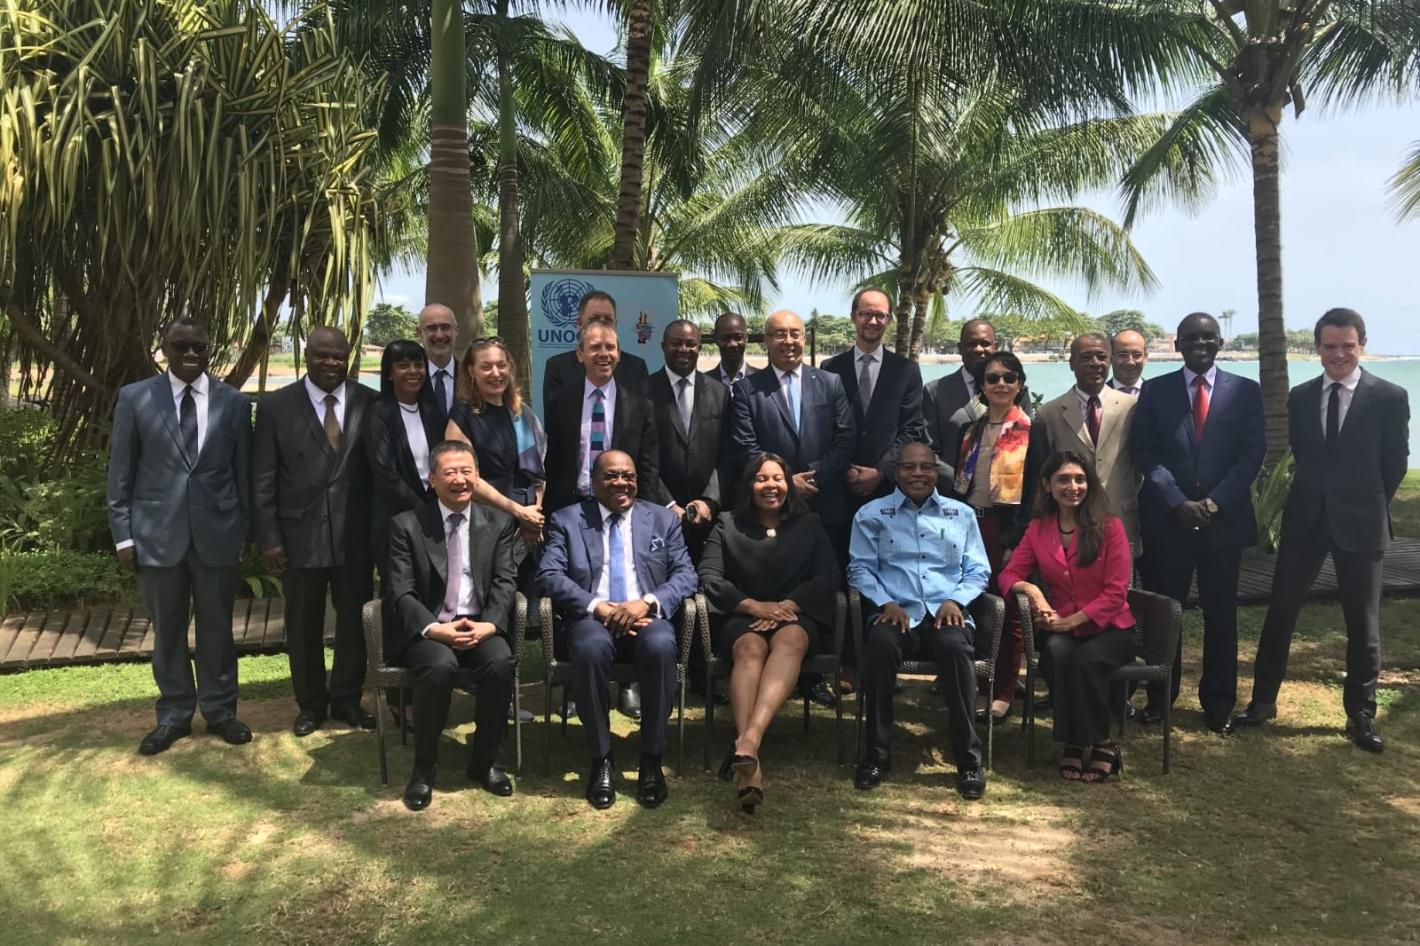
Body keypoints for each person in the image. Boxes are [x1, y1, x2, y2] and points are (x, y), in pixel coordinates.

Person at [1237, 309, 1409, 751]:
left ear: (1362, 345)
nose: (1338, 354)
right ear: (1317, 348)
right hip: (1306, 521)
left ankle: (1361, 714)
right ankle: (1262, 701)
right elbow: (1302, 454)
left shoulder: (1389, 397)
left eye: (1347, 346)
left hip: (1361, 524)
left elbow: (1394, 464)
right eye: (1329, 346)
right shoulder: (1301, 396)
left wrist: (1365, 502)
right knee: (1280, 612)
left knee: (1363, 623)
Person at [106, 318, 253, 755]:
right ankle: (173, 714)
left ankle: (221, 711)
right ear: (164, 348)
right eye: (181, 345)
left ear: (209, 350)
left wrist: (243, 531)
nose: (190, 353)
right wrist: (123, 536)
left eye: (199, 347)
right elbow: (121, 473)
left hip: (218, 535)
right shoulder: (135, 398)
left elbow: (242, 476)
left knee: (217, 630)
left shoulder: (233, 402)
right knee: (168, 630)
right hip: (156, 536)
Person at [536, 451, 699, 810]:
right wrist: (598, 607)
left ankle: (651, 759)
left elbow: (686, 575)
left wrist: (647, 602)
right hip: (591, 621)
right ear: (593, 482)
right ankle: (601, 759)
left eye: (628, 476)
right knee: (589, 649)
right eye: (611, 476)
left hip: (646, 620)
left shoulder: (661, 520)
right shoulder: (567, 519)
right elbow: (549, 575)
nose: (621, 483)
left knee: (661, 645)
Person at [1133, 312, 1264, 734]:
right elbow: (1145, 452)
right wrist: (1177, 500)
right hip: (1168, 522)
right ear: (1177, 345)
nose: (1200, 344)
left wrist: (1214, 502)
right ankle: (1160, 698)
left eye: (1208, 337)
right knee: (1164, 615)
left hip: (1222, 524)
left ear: (1220, 343)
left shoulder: (1245, 391)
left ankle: (1219, 704)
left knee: (1221, 615)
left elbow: (1251, 454)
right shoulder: (1155, 391)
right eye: (1191, 338)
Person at [252, 326, 378, 737]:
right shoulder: (276, 407)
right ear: (307, 356)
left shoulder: (370, 402)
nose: (331, 363)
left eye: (338, 355)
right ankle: (310, 704)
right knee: (303, 624)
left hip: (354, 536)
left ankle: (347, 699)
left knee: (354, 623)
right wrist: (269, 538)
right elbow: (263, 479)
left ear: (348, 357)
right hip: (298, 536)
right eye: (322, 355)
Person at [849, 442, 992, 799]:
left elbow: (978, 570)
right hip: (895, 613)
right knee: (880, 645)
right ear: (895, 472)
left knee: (956, 648)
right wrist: (886, 602)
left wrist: (956, 600)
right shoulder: (871, 514)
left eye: (926, 467)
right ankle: (876, 756)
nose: (918, 474)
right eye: (909, 467)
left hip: (946, 613)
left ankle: (969, 761)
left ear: (936, 471)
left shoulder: (961, 514)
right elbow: (860, 569)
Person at [699, 454, 840, 813]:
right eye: (761, 479)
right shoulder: (726, 524)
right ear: (749, 486)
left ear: (788, 485)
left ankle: (748, 741)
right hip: (743, 616)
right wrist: (753, 606)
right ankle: (751, 764)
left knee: (790, 639)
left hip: (796, 615)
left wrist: (786, 606)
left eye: (778, 478)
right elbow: (710, 577)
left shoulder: (809, 524)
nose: (771, 486)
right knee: (748, 648)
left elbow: (828, 575)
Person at [385, 442, 519, 809]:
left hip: (480, 626)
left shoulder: (498, 523)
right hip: (432, 628)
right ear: (432, 479)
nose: (460, 480)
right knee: (439, 666)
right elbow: (400, 591)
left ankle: (484, 761)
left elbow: (506, 581)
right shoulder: (407, 525)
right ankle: (424, 767)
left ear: (477, 476)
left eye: (466, 471)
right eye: (450, 473)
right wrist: (434, 629)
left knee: (500, 662)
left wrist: (490, 625)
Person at [1002, 451, 1137, 782]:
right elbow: (1008, 575)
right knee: (1055, 653)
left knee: (1087, 660)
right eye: (1063, 479)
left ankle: (1102, 742)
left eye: (1080, 479)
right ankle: (1074, 742)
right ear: (1047, 485)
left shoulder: (1111, 527)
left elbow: (1116, 593)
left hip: (1112, 629)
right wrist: (1032, 591)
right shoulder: (1038, 529)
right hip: (1065, 629)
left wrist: (1071, 621)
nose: (1073, 486)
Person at [729, 309, 856, 558]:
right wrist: (786, 481)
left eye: (794, 334)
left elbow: (845, 439)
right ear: (766, 341)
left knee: (827, 576)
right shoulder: (746, 389)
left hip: (824, 503)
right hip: (770, 508)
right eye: (780, 334)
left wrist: (812, 478)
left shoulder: (830, 382)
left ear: (804, 339)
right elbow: (745, 445)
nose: (788, 341)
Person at [950, 351, 1032, 723]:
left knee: (1008, 609)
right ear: (981, 385)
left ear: (1020, 384)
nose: (1001, 384)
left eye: (1009, 377)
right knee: (973, 604)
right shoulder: (970, 430)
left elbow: (1035, 493)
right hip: (970, 527)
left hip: (1007, 531)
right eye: (992, 378)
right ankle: (974, 683)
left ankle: (1003, 690)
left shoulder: (1031, 430)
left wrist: (1017, 540)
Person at [823, 288, 926, 559]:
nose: (873, 321)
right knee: (841, 563)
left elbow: (913, 428)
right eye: (866, 314)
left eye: (880, 315)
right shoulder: (830, 368)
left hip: (888, 489)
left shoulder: (906, 370)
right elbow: (824, 426)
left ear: (889, 320)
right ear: (853, 317)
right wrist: (844, 468)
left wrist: (880, 471)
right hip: (840, 488)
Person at [1029, 332, 1142, 557]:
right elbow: (1042, 474)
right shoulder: (1049, 413)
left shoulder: (1133, 407)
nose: (1095, 363)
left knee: (1123, 579)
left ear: (1110, 361)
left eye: (1102, 357)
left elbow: (1141, 464)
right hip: (1070, 523)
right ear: (1072, 363)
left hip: (1122, 517)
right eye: (1086, 357)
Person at [542, 320, 663, 516]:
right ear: (580, 354)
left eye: (610, 347)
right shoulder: (561, 402)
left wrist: (647, 515)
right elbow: (553, 461)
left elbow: (649, 468)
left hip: (622, 508)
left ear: (619, 354)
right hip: (572, 508)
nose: (604, 354)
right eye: (595, 347)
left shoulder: (641, 407)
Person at [444, 335, 547, 550]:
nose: (496, 373)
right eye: (486, 367)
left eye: (501, 365)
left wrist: (533, 516)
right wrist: (518, 511)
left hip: (527, 526)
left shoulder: (522, 412)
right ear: (471, 371)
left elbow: (539, 472)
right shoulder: (462, 416)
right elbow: (466, 479)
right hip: (486, 523)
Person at [646, 319, 731, 560]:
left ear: (699, 347)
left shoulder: (720, 392)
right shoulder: (642, 391)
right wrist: (667, 504)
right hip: (659, 516)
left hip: (708, 518)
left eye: (690, 344)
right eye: (676, 343)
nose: (684, 349)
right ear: (663, 346)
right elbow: (641, 457)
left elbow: (727, 455)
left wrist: (709, 500)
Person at [924, 319, 1032, 488]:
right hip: (952, 492)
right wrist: (962, 482)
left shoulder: (1016, 391)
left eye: (985, 343)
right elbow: (929, 450)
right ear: (960, 348)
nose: (978, 349)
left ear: (995, 347)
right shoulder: (935, 391)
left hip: (1007, 492)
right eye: (971, 344)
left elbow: (1028, 444)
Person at [367, 340, 443, 575]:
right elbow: (385, 473)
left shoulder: (432, 412)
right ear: (389, 373)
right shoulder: (378, 413)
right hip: (395, 520)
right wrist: (422, 509)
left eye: (418, 365)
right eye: (403, 365)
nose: (413, 371)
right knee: (399, 587)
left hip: (434, 516)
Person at [542, 290, 649, 410]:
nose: (601, 325)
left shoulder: (636, 367)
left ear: (615, 325)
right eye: (594, 320)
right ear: (579, 324)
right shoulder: (558, 367)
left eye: (608, 320)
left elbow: (642, 415)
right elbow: (554, 419)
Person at [416, 303, 459, 425]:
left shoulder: (472, 378)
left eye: (445, 327)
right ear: (419, 332)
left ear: (456, 331)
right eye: (432, 328)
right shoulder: (409, 379)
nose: (439, 335)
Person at [708, 311, 756, 393]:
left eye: (738, 337)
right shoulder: (703, 383)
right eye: (725, 338)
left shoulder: (762, 380)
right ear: (716, 339)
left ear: (746, 338)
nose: (732, 344)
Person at [1108, 328, 1148, 395]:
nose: (1130, 362)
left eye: (1137, 355)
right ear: (1110, 358)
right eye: (1122, 355)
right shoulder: (1097, 395)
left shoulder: (1159, 394)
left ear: (1145, 358)